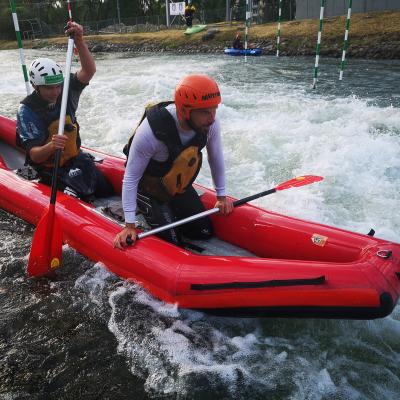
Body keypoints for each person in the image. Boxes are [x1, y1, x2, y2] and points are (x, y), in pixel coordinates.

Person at [113, 74, 234, 249]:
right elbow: (131, 178)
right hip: (148, 188)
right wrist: (129, 226)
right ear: (184, 110)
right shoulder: (150, 133)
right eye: (205, 112)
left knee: (204, 233)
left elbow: (215, 158)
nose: (212, 118)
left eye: (214, 109)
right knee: (173, 242)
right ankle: (143, 211)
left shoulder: (209, 125)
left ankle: (168, 213)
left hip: (176, 185)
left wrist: (221, 197)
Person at [16, 21, 114, 200]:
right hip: (48, 169)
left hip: (74, 160)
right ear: (36, 87)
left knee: (107, 190)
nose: (55, 92)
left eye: (57, 86)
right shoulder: (27, 110)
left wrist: (79, 40)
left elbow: (89, 71)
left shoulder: (65, 87)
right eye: (49, 88)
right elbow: (35, 155)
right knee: (83, 197)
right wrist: (52, 146)